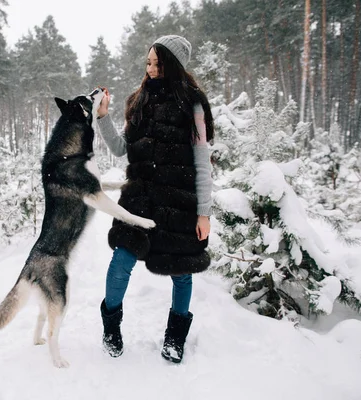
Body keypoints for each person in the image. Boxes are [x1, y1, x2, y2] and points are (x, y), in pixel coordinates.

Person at [95, 35, 214, 363]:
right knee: (120, 264)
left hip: (178, 202)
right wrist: (103, 117)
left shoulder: (194, 105)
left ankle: (175, 338)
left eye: (157, 63)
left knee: (181, 272)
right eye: (148, 62)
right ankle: (111, 328)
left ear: (173, 65)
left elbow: (202, 161)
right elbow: (121, 148)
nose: (150, 69)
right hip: (140, 199)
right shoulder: (138, 100)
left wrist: (203, 212)